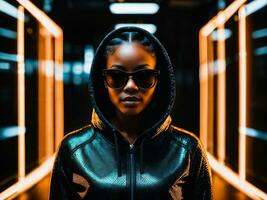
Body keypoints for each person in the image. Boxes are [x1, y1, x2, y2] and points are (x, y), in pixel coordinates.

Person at [49, 26, 213, 200]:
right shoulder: (75, 149)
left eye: (144, 76)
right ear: (103, 80)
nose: (131, 86)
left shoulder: (186, 150)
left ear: (158, 80)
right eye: (116, 76)